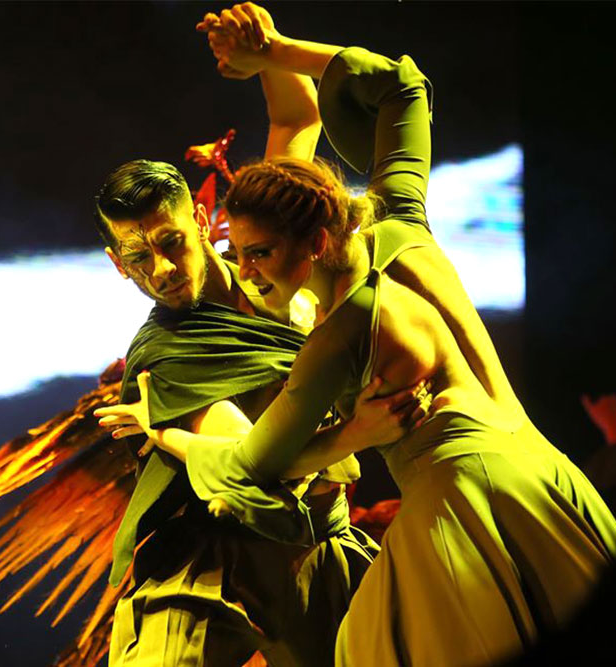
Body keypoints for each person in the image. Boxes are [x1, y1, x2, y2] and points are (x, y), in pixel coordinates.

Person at [106, 4, 616, 664]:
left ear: (313, 243)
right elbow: (401, 89)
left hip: (466, 507)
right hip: (546, 479)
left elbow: (248, 464)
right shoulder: (402, 224)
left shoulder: (341, 333)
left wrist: (159, 430)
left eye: (259, 253)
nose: (247, 268)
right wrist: (275, 51)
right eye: (241, 251)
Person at [91, 48, 423, 666]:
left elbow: (298, 118)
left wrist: (263, 46)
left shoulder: (268, 253)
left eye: (170, 243)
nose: (160, 270)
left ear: (199, 219)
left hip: (322, 544)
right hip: (214, 559)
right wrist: (357, 434)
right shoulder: (166, 354)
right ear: (117, 263)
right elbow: (255, 464)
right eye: (137, 258)